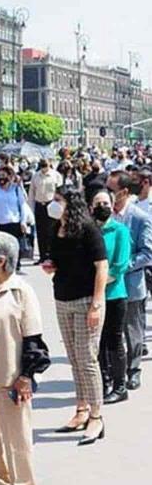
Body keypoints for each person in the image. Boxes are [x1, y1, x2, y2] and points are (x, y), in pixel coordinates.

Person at [0, 232, 50, 485]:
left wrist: (26, 376)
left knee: (17, 440)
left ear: (1, 260)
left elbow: (33, 337)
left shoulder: (21, 292)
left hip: (11, 377)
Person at [44, 186, 108, 445]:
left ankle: (96, 415)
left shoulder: (88, 229)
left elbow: (101, 266)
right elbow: (57, 259)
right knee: (73, 357)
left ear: (71, 203)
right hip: (62, 298)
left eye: (59, 200)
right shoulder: (56, 229)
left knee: (87, 358)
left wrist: (96, 303)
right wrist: (50, 265)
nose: (54, 204)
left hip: (85, 300)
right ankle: (81, 409)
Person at [107, 170, 152, 391]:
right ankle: (115, 373)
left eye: (111, 190)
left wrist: (122, 266)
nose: (107, 194)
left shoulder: (139, 218)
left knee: (133, 329)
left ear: (124, 192)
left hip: (131, 283)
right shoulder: (103, 216)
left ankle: (134, 370)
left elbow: (147, 253)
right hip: (108, 285)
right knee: (112, 332)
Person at [89, 190, 131, 404]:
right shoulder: (89, 231)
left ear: (112, 205)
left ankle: (119, 385)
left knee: (114, 340)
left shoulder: (120, 230)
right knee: (98, 342)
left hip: (114, 295)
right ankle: (102, 383)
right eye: (98, 203)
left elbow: (121, 264)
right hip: (93, 297)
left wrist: (98, 281)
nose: (102, 206)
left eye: (106, 202)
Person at [0, 165, 28, 272]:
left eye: (3, 175)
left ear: (9, 176)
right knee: (1, 249)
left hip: (14, 223)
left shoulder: (16, 190)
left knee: (14, 247)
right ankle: (4, 268)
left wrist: (23, 222)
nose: (1, 178)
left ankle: (15, 266)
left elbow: (23, 206)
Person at [28, 159, 62, 264]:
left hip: (51, 205)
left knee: (51, 231)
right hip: (39, 205)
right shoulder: (36, 176)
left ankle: (51, 255)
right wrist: (31, 208)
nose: (44, 168)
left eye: (45, 165)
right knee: (40, 231)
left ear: (49, 165)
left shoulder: (56, 175)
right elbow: (31, 193)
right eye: (42, 166)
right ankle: (42, 256)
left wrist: (60, 206)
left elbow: (60, 192)